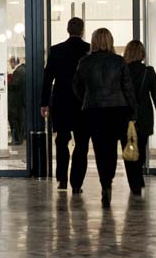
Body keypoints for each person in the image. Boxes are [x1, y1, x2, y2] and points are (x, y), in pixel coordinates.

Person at [73, 28, 137, 207]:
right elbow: (128, 88)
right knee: (115, 150)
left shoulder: (84, 62)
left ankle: (105, 184)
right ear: (110, 41)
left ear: (93, 42)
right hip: (118, 109)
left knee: (101, 150)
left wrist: (86, 98)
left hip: (94, 110)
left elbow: (76, 86)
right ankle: (111, 180)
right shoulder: (119, 61)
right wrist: (133, 111)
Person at [41, 17, 90, 192]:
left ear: (68, 30)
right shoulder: (89, 50)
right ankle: (76, 183)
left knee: (61, 141)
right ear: (82, 30)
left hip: (61, 101)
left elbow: (47, 79)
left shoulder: (56, 50)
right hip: (83, 103)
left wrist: (44, 103)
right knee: (82, 143)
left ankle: (62, 179)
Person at [122, 40, 156, 195]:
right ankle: (138, 177)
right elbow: (155, 94)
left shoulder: (123, 70)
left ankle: (134, 182)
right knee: (141, 147)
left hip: (127, 115)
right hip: (145, 115)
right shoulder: (149, 71)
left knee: (129, 148)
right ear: (142, 53)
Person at [8, 57, 27, 145]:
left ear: (13, 62)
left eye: (10, 63)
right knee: (21, 120)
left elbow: (15, 85)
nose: (9, 65)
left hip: (16, 101)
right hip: (22, 101)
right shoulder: (24, 69)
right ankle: (20, 138)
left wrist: (7, 85)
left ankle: (17, 140)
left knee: (15, 120)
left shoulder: (18, 71)